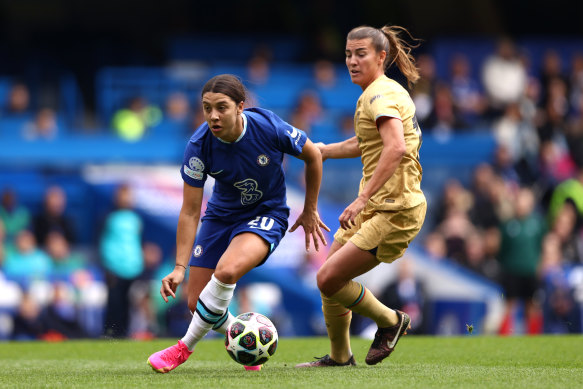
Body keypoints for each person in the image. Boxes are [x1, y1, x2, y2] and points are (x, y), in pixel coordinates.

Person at [147, 74, 329, 373]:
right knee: (197, 304)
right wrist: (180, 267)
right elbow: (191, 211)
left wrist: (309, 209)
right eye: (207, 108)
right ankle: (249, 342)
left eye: (222, 107)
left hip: (267, 213)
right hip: (220, 217)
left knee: (227, 270)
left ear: (240, 107)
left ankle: (182, 348)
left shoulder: (268, 127)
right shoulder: (199, 145)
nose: (213, 116)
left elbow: (313, 156)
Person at [296, 25, 426, 368]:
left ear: (381, 57)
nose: (352, 61)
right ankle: (341, 357)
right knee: (329, 278)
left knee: (328, 278)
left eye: (361, 54)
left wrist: (362, 199)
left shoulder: (378, 95)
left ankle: (391, 321)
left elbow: (396, 147)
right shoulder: (380, 92)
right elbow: (365, 143)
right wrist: (324, 150)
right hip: (382, 207)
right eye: (348, 55)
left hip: (394, 209)